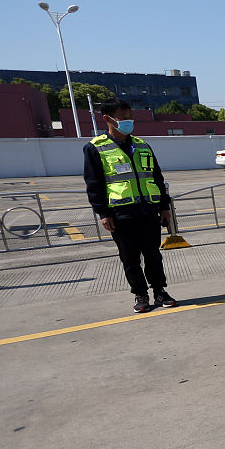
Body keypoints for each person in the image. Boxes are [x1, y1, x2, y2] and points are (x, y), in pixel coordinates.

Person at [83, 98, 178, 313]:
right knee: (130, 258)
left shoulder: (142, 145)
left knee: (154, 255)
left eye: (129, 117)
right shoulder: (95, 148)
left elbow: (157, 178)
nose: (128, 121)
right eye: (123, 117)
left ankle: (160, 291)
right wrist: (103, 213)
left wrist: (164, 207)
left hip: (148, 211)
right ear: (107, 119)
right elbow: (94, 184)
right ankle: (140, 294)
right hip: (121, 214)